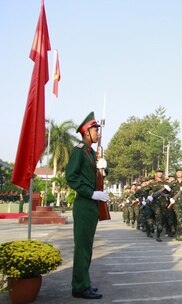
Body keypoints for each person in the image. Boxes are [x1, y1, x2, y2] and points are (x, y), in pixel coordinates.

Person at [65, 112, 107, 299]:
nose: (97, 132)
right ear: (86, 132)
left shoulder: (91, 152)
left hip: (92, 205)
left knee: (87, 246)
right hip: (84, 203)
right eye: (95, 129)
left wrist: (104, 167)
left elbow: (96, 174)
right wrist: (90, 192)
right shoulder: (79, 151)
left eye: (97, 129)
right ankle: (80, 287)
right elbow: (71, 176)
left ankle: (83, 282)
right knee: (82, 247)